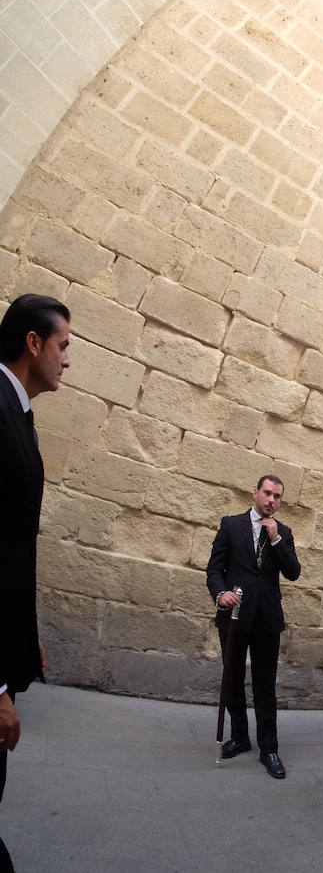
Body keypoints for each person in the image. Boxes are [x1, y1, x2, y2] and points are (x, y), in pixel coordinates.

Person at [0, 294, 71, 873]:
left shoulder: (17, 412)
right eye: (63, 345)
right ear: (33, 343)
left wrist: (25, 635)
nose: (67, 359)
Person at [206, 475, 302, 779]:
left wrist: (275, 540)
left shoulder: (283, 532)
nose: (271, 500)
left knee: (265, 685)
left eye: (277, 496)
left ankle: (269, 748)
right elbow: (214, 568)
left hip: (267, 619)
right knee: (232, 679)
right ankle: (240, 736)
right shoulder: (231, 525)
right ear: (255, 493)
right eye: (267, 493)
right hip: (234, 617)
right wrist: (221, 594)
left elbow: (293, 573)